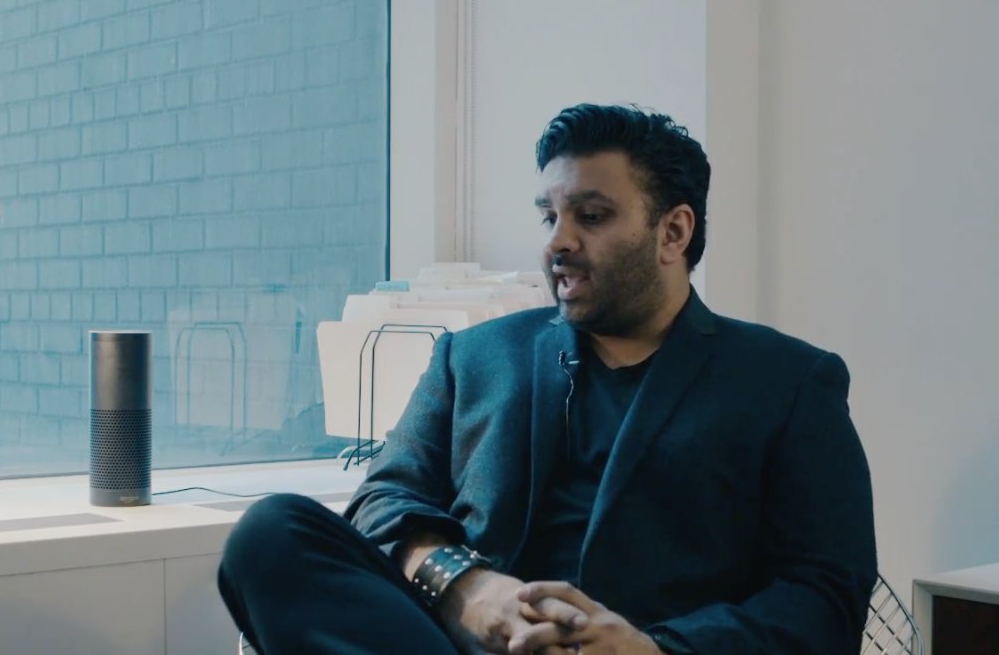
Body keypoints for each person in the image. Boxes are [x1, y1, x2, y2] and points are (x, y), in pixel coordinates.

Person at [217, 103, 877, 655]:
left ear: (673, 232)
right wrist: (469, 589)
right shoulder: (474, 357)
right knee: (272, 533)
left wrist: (653, 650)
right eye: (549, 216)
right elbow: (382, 505)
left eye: (591, 216)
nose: (557, 242)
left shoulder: (787, 383)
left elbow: (826, 599)